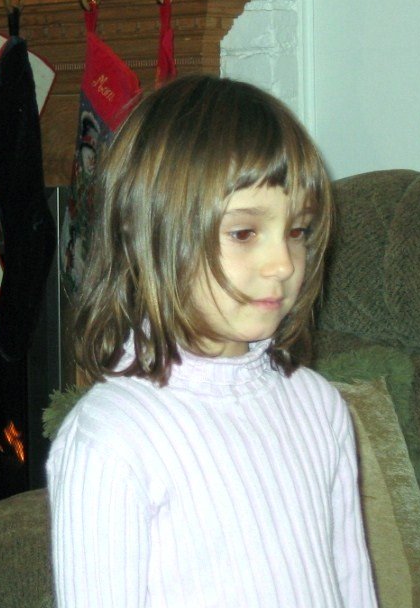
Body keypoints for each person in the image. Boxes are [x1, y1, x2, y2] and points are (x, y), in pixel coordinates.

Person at [47, 74, 377, 608]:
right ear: (151, 233)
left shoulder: (319, 405)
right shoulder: (113, 436)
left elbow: (352, 584)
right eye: (244, 232)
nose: (283, 263)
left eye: (297, 231)